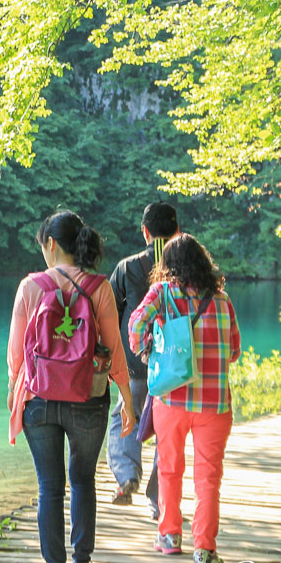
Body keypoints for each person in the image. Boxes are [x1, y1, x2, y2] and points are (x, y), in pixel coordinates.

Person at [7, 211, 134, 563]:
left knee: (49, 487)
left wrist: (15, 397)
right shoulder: (99, 287)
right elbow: (113, 351)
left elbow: (15, 357)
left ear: (50, 244)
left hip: (39, 400)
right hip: (88, 399)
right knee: (81, 481)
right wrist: (128, 400)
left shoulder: (30, 286)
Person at [128, 233, 241, 563]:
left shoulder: (162, 294)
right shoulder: (222, 301)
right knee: (208, 478)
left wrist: (150, 349)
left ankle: (170, 536)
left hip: (172, 398)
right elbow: (234, 351)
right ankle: (205, 551)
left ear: (168, 265)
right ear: (204, 263)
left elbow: (135, 330)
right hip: (214, 404)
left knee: (169, 467)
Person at [106, 203, 179, 518]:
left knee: (124, 418)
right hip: (175, 368)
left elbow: (110, 313)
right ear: (176, 232)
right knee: (168, 432)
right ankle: (157, 500)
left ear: (145, 231)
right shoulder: (186, 268)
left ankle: (126, 478)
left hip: (135, 366)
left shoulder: (127, 268)